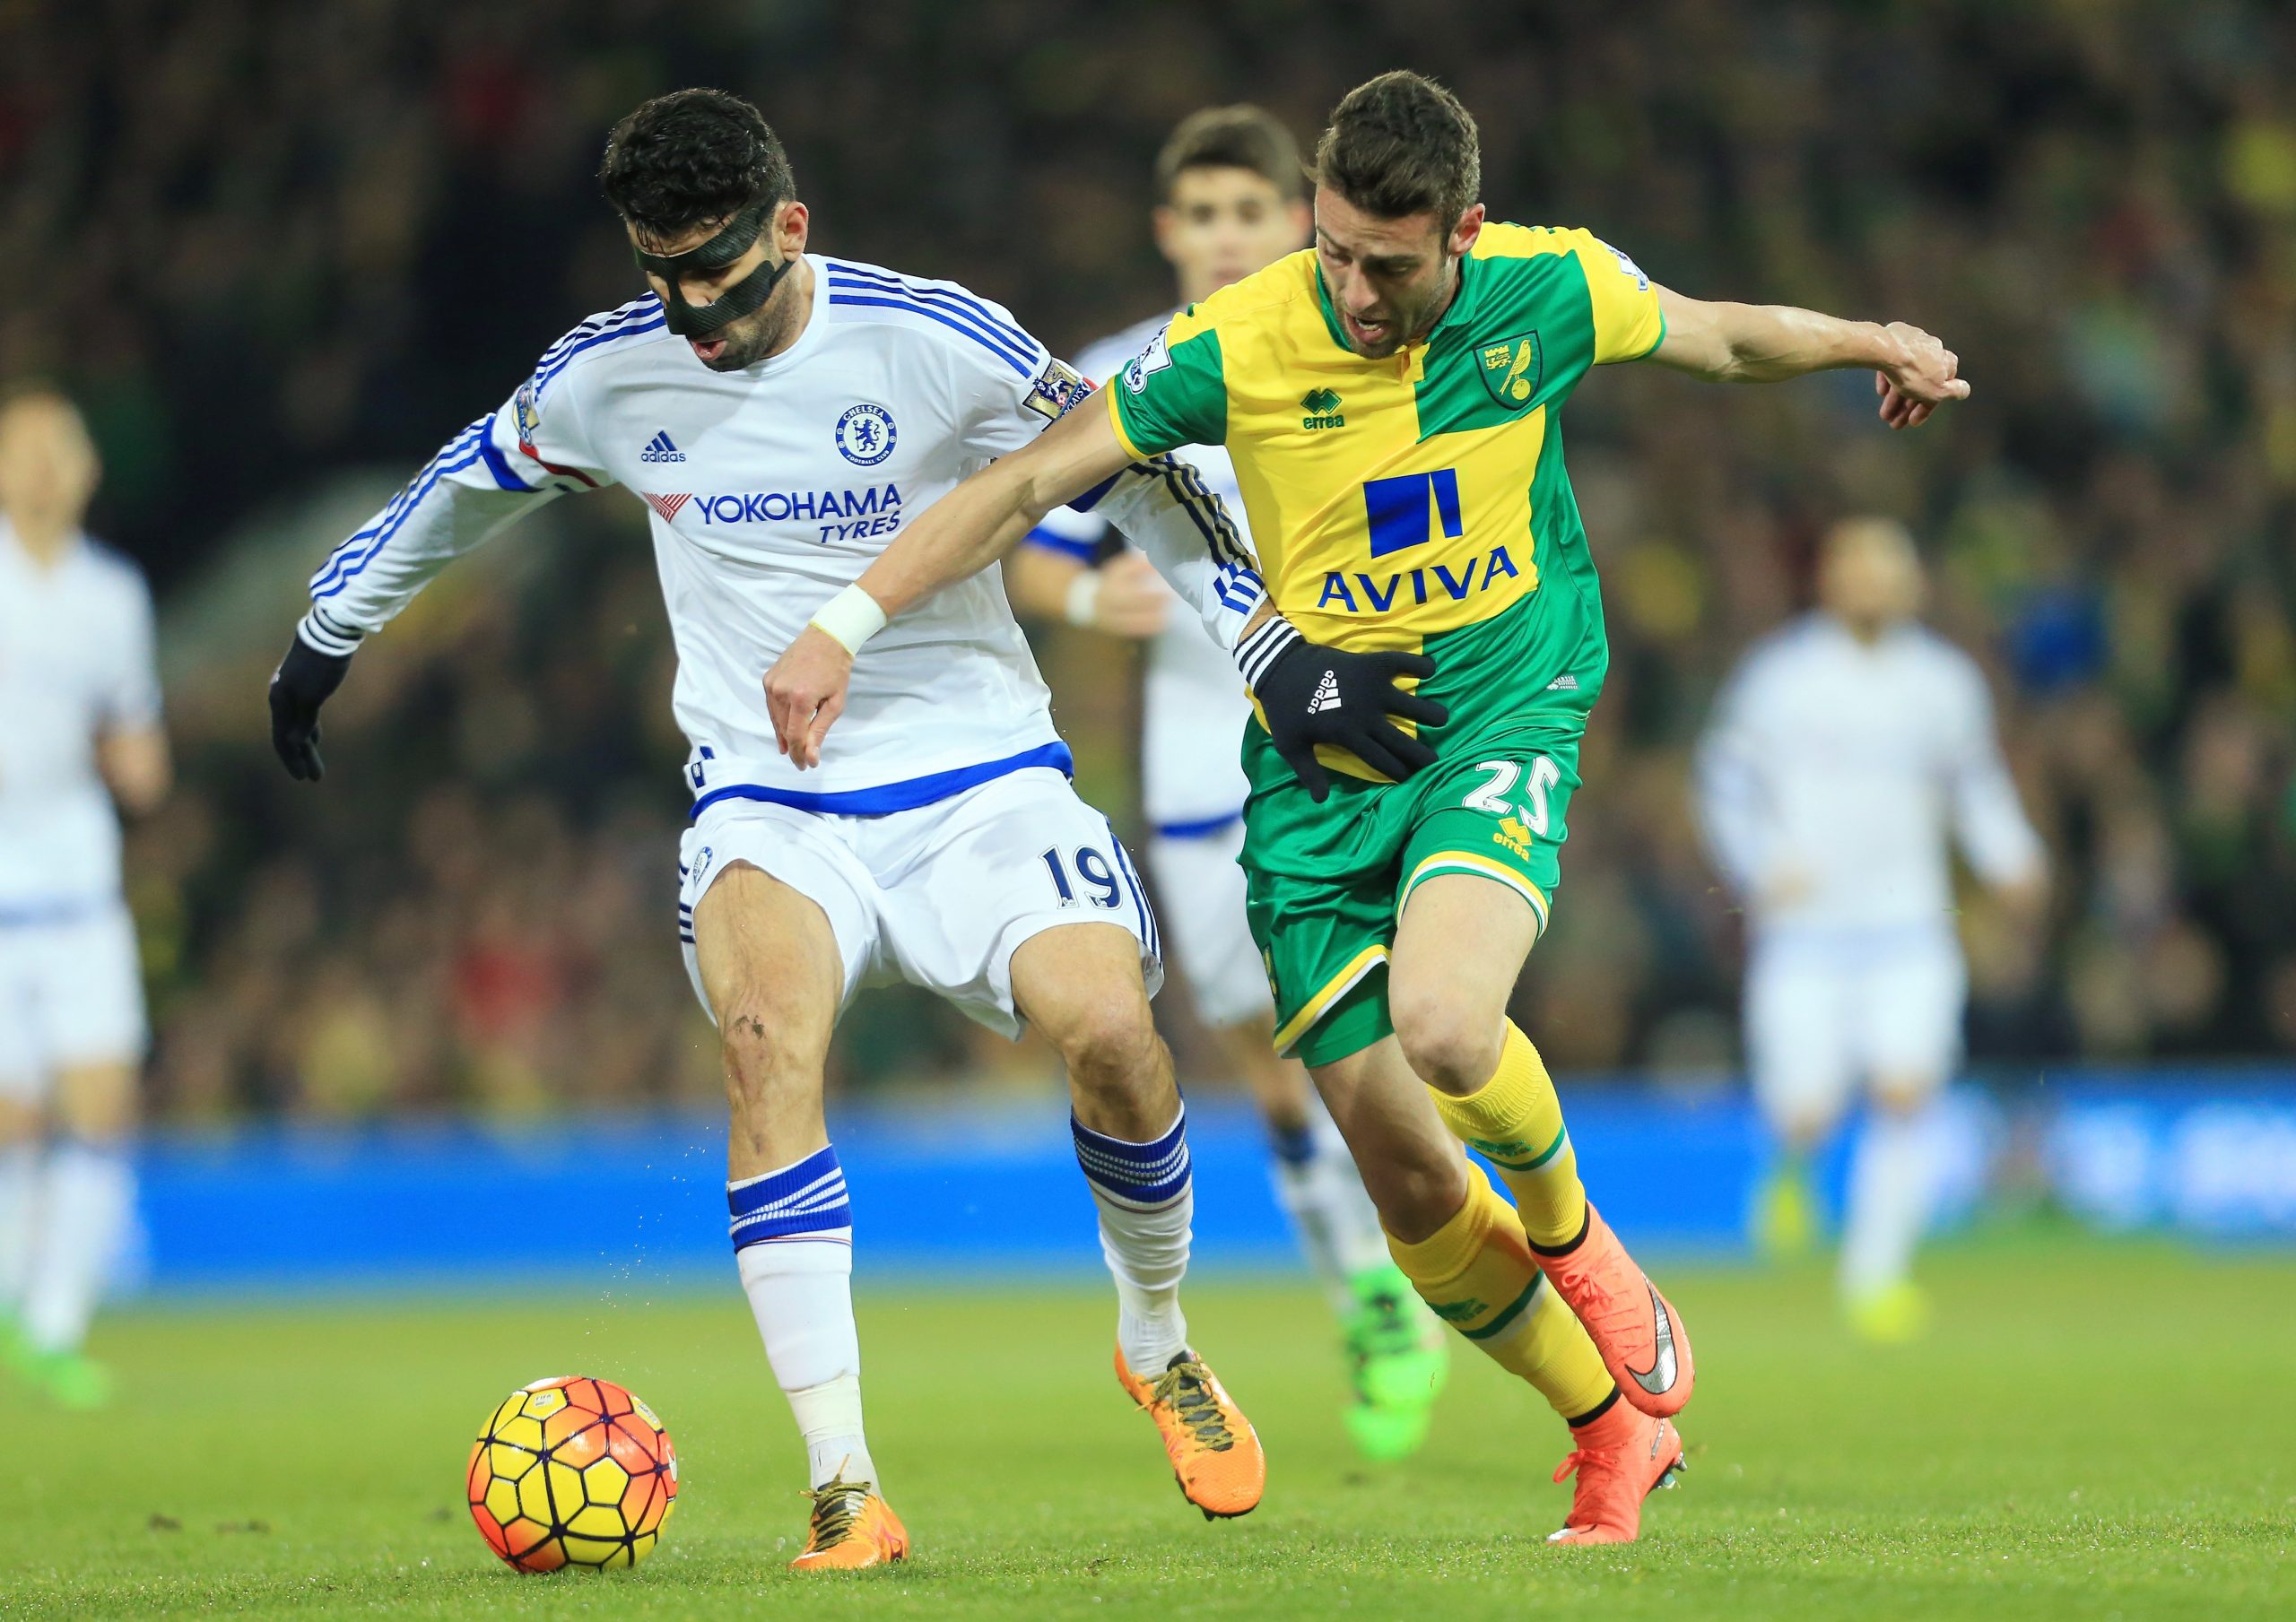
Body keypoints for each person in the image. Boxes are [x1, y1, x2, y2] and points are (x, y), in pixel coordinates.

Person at [765, 70, 1972, 1544]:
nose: (1351, 291)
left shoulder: (1548, 288)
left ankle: (1581, 1240)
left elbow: (1719, 335)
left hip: (1498, 706)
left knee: (1448, 1023)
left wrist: (1870, 342)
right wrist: (844, 622)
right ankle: (1609, 1429)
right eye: (1331, 250)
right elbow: (1024, 487)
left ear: (1463, 230)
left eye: (1386, 264)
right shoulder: (1240, 338)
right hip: (1320, 768)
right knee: (1402, 1176)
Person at [264, 89, 1424, 1570]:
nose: (696, 312)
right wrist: (328, 634)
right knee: (766, 1042)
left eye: (722, 272)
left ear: (791, 227)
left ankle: (1157, 1337)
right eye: (664, 275)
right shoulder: (609, 373)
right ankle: (843, 1480)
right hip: (767, 796)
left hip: (983, 774)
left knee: (1115, 1036)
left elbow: (1131, 468)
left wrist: (1270, 651)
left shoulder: (931, 336)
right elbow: (460, 487)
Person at [1003, 104, 1447, 1462]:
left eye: (1247, 212)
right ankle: (1372, 1294)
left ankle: (1451, 1243)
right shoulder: (1113, 373)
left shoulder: (1368, 337)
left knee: (1395, 1019)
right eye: (1200, 215)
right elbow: (1030, 543)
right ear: (1167, 231)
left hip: (1369, 722)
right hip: (1204, 752)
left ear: (1296, 221)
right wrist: (1094, 599)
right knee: (1269, 1048)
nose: (1223, 237)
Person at [1695, 517, 2045, 1341]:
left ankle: (1876, 1278)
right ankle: (1790, 1163)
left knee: (1905, 1091)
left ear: (1913, 583)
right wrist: (1758, 863)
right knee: (1806, 1109)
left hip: (1910, 927)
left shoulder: (1945, 682)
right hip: (1806, 933)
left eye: (1890, 569)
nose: (1875, 584)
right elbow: (1723, 780)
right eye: (1860, 568)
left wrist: (2014, 856)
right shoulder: (1780, 677)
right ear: (1829, 579)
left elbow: (1974, 784)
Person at [0, 385, 170, 1410]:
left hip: (79, 888)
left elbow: (133, 736)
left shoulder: (113, 595)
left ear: (88, 470)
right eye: (25, 447)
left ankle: (55, 1325)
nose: (43, 465)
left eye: (60, 448)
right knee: (13, 1115)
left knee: (103, 1099)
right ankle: (14, 1301)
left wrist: (141, 766)